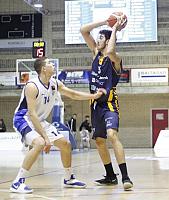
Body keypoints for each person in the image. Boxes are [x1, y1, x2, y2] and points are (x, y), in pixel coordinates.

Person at [10, 57, 105, 194]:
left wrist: (93, 96)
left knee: (65, 144)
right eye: (49, 63)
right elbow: (32, 114)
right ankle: (18, 181)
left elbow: (72, 94)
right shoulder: (32, 86)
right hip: (23, 119)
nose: (53, 65)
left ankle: (68, 178)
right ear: (43, 69)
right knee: (39, 143)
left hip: (39, 120)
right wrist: (46, 138)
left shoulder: (55, 83)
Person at [80, 16, 133, 190]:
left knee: (112, 135)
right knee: (100, 141)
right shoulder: (96, 53)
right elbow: (83, 30)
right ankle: (110, 175)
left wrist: (115, 29)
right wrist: (104, 22)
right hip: (96, 106)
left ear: (109, 40)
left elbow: (110, 52)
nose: (97, 40)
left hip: (109, 104)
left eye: (101, 37)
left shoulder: (115, 60)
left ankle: (125, 177)